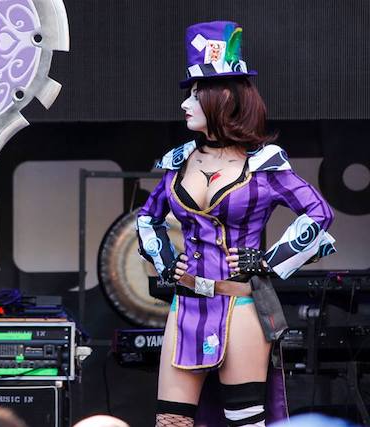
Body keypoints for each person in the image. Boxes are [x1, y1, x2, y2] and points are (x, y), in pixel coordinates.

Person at [137, 21, 336, 427]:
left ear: (223, 98)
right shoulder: (178, 162)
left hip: (240, 304)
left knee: (244, 420)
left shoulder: (264, 165)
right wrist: (166, 260)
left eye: (196, 95)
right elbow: (147, 218)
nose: (185, 104)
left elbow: (319, 213)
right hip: (186, 306)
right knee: (171, 421)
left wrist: (267, 261)